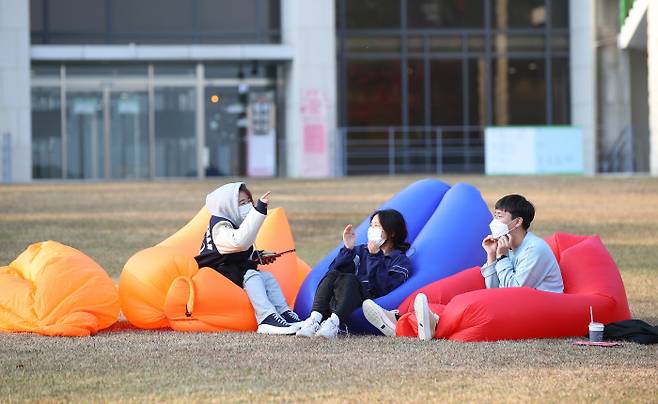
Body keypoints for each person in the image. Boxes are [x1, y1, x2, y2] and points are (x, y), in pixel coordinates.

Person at [364, 194, 564, 340]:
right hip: (515, 303)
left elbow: (515, 290)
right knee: (457, 297)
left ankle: (425, 322)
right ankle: (401, 319)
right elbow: (495, 290)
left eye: (500, 216)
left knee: (469, 304)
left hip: (540, 308)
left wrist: (501, 258)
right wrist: (492, 256)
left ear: (517, 221)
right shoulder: (509, 246)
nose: (494, 222)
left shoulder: (534, 249)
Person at [195, 182, 302, 335]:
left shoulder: (236, 223)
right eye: (241, 203)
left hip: (228, 272)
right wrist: (259, 211)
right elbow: (238, 242)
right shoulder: (219, 226)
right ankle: (265, 319)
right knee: (252, 275)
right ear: (228, 206)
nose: (247, 206)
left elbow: (234, 254)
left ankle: (284, 314)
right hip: (213, 277)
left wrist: (256, 257)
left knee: (266, 277)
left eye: (248, 202)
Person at [296, 209, 412, 338]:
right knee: (335, 274)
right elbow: (334, 270)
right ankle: (314, 320)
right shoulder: (361, 250)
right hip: (344, 296)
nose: (372, 229)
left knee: (350, 279)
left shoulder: (399, 260)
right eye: (371, 225)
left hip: (369, 299)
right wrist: (348, 249)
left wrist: (375, 256)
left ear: (392, 233)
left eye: (377, 226)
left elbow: (382, 288)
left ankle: (334, 323)